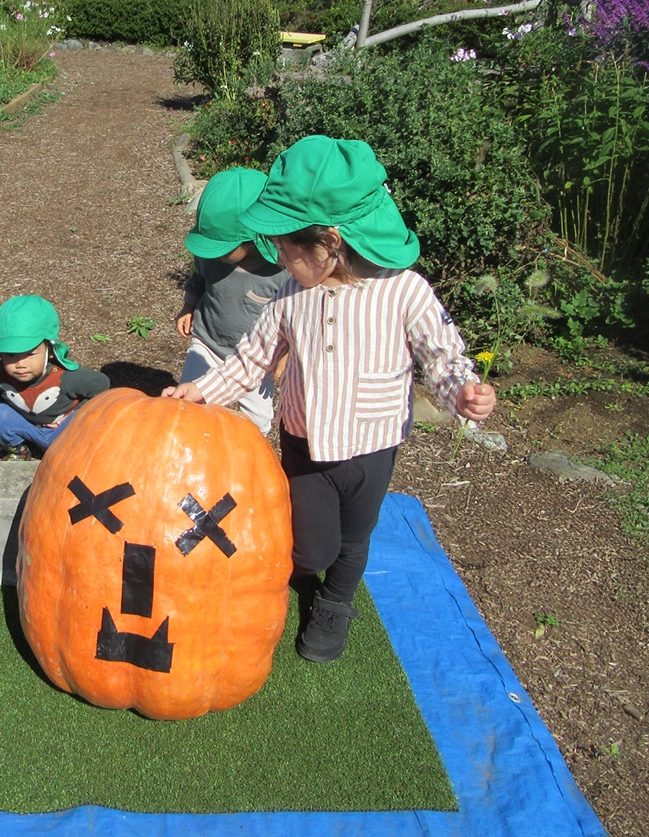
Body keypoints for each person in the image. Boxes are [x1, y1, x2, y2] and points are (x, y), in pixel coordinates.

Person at [164, 136, 496, 664]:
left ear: (330, 243)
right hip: (304, 443)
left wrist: (463, 392)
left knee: (354, 539)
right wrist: (201, 390)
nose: (277, 258)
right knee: (311, 546)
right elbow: (252, 359)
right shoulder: (291, 296)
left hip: (372, 447)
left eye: (285, 247)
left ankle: (336, 604)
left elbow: (442, 355)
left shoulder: (404, 291)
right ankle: (291, 573)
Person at [175, 166, 290, 435]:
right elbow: (198, 277)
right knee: (188, 406)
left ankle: (244, 453)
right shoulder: (209, 257)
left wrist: (285, 354)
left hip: (257, 359)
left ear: (253, 239)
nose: (213, 254)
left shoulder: (281, 272)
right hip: (208, 342)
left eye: (222, 248)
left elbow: (291, 316)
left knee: (257, 421)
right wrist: (189, 305)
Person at [0, 295, 111, 461]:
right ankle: (19, 450)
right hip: (32, 428)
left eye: (30, 354)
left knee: (92, 419)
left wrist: (78, 412)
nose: (20, 364)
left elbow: (103, 385)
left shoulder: (67, 377)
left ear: (50, 351)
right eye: (11, 355)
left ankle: (75, 451)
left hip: (65, 430)